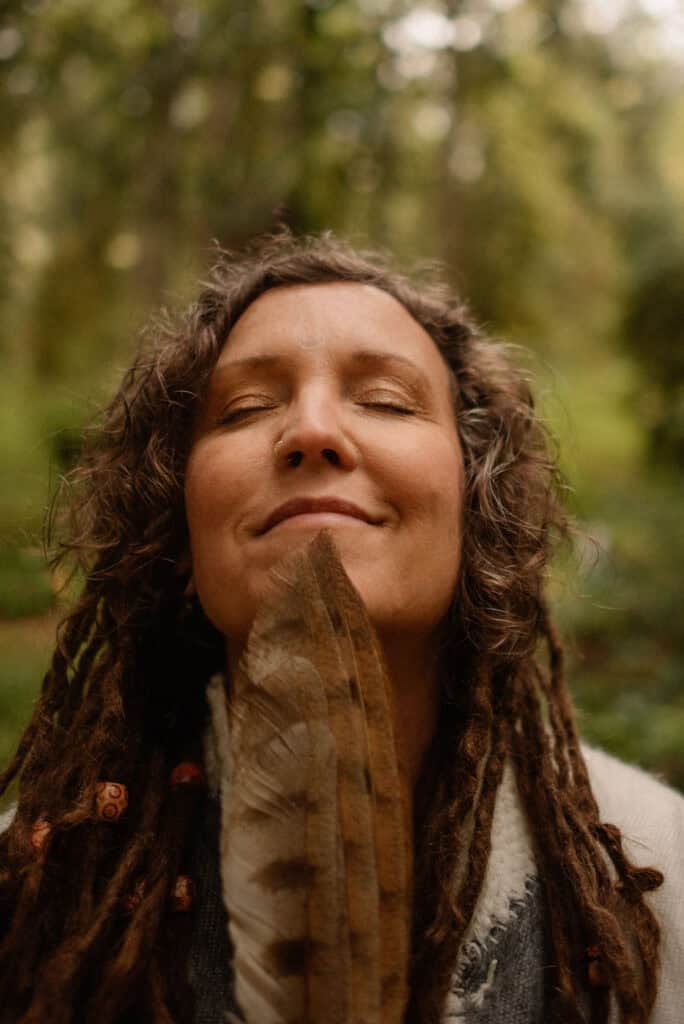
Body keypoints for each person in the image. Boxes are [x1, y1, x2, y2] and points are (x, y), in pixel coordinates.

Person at [0, 232, 682, 1024]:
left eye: (387, 401)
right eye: (246, 409)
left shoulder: (658, 864)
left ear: (476, 509)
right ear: (178, 533)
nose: (311, 431)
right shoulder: (33, 893)